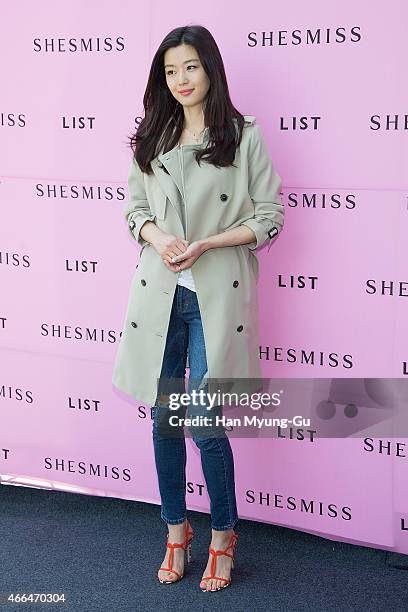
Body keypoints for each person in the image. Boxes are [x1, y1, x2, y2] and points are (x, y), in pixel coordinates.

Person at [112, 24, 284, 592]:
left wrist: (210, 243)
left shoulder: (241, 135)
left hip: (214, 296)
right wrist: (158, 237)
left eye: (190, 67)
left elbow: (269, 215)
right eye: (170, 70)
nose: (181, 80)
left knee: (205, 423)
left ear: (210, 69)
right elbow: (134, 210)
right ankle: (175, 530)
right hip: (161, 297)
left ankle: (223, 534)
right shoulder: (153, 135)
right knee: (165, 420)